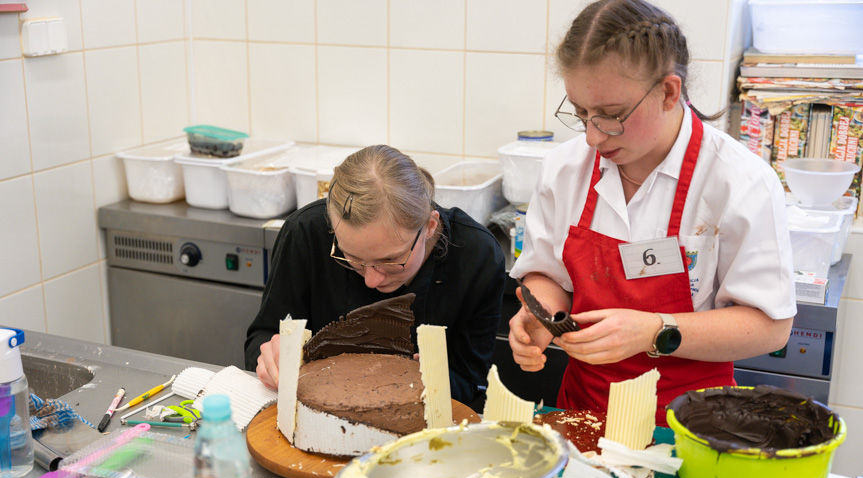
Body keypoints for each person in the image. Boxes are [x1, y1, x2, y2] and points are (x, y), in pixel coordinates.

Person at [508, 0, 796, 425]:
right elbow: (548, 275)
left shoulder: (739, 181)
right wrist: (540, 315)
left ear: (668, 92)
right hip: (583, 413)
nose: (591, 136)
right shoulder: (564, 170)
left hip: (691, 423)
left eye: (610, 115)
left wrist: (653, 329)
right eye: (580, 113)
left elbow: (769, 327)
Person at [246, 144, 506, 407]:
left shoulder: (476, 255)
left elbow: (473, 382)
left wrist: (433, 379)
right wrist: (270, 357)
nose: (372, 280)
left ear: (429, 226)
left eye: (390, 260)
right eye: (352, 258)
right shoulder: (306, 232)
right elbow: (263, 335)